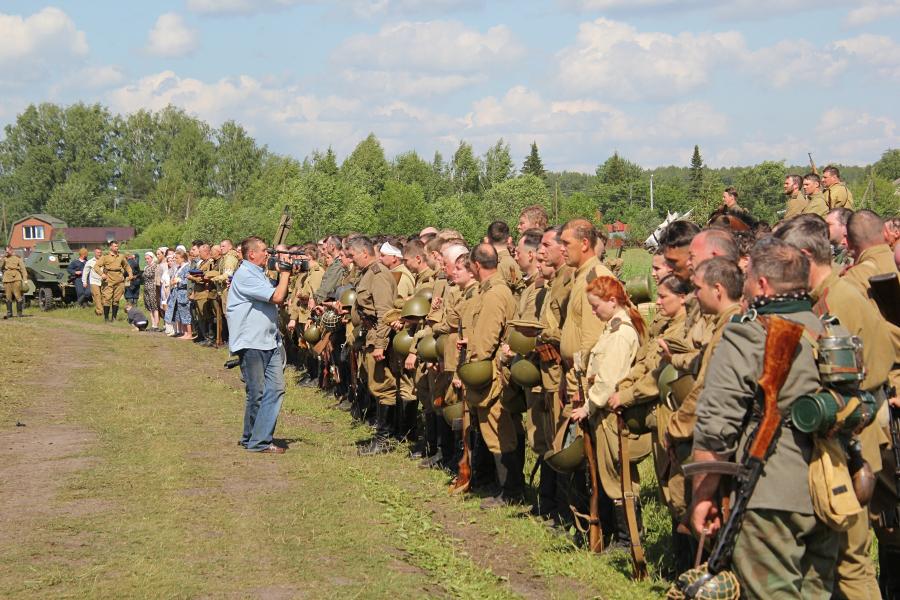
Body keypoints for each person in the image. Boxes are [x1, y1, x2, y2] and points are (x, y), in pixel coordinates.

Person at [691, 238, 840, 599]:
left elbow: (716, 425)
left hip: (769, 491)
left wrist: (702, 494)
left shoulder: (750, 332)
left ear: (761, 284)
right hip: (830, 489)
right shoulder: (830, 331)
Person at [775, 213, 892, 599]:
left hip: (850, 444)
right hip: (857, 437)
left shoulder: (832, 302)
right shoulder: (842, 292)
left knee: (849, 566)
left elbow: (837, 385)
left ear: (806, 256)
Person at [571, 275, 647, 549]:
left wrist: (588, 406)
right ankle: (623, 535)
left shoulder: (621, 333)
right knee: (611, 475)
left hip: (609, 414)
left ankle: (629, 540)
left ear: (612, 302)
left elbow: (608, 379)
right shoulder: (612, 327)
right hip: (604, 411)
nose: (593, 311)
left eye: (596, 306)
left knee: (617, 477)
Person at [226, 236, 292, 454]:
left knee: (275, 389)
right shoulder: (245, 274)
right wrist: (285, 273)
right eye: (264, 251)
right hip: (252, 342)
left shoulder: (257, 273)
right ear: (251, 254)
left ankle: (254, 438)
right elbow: (277, 297)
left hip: (269, 341)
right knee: (258, 392)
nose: (268, 254)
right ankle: (257, 441)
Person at [92, 240, 134, 322]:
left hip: (119, 281)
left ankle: (114, 318)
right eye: (115, 246)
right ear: (110, 247)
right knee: (107, 299)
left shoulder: (121, 256)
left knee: (116, 300)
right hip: (108, 281)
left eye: (117, 246)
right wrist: (102, 274)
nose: (116, 247)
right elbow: (96, 266)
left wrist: (130, 274)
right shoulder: (105, 257)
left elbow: (127, 266)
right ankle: (106, 318)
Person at [167, 250, 193, 340]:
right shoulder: (179, 268)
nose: (175, 260)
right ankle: (185, 332)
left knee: (186, 314)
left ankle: (189, 333)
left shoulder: (187, 267)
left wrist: (178, 281)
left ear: (182, 258)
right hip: (177, 294)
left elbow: (188, 281)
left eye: (177, 258)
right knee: (181, 314)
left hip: (184, 294)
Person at [0, 246, 28, 319]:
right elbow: (1, 267)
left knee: (17, 295)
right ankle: (9, 313)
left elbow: (23, 269)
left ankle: (19, 313)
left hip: (16, 278)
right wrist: (2, 259)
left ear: (11, 250)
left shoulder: (18, 258)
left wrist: (25, 279)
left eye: (8, 250)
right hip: (7, 278)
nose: (7, 252)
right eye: (6, 251)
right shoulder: (4, 258)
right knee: (8, 296)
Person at [82, 247, 104, 316]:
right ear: (94, 253)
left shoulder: (105, 260)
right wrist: (84, 282)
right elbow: (85, 272)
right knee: (97, 295)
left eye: (100, 253)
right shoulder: (90, 262)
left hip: (104, 281)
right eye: (98, 253)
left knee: (104, 297)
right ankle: (100, 312)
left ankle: (104, 309)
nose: (99, 254)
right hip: (94, 281)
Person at [142, 252, 160, 331]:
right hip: (146, 289)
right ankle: (153, 324)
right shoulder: (146, 267)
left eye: (148, 258)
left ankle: (156, 325)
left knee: (154, 307)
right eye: (145, 259)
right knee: (149, 307)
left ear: (152, 258)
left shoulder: (155, 266)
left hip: (153, 288)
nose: (146, 260)